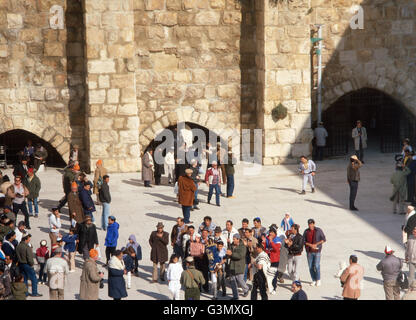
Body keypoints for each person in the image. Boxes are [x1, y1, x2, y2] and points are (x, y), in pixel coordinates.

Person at [303, 218, 326, 287]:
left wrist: (316, 244)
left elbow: (324, 239)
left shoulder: (318, 230)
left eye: (311, 224)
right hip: (309, 251)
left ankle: (318, 279)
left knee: (316, 265)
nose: (310, 225)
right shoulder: (306, 231)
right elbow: (303, 241)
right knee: (310, 266)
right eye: (309, 224)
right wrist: (310, 245)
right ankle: (313, 279)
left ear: (314, 224)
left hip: (317, 251)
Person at [227, 233, 249, 300]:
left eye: (234, 239)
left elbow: (240, 256)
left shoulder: (243, 247)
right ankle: (235, 296)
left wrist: (231, 254)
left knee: (240, 279)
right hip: (232, 266)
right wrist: (228, 252)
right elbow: (229, 251)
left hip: (240, 266)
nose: (233, 240)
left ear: (238, 239)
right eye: (233, 239)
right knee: (233, 281)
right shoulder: (231, 245)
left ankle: (246, 289)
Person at [263, 226, 282, 294]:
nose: (270, 233)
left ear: (275, 233)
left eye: (272, 232)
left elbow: (276, 249)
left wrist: (271, 241)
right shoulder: (267, 238)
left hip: (275, 259)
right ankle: (268, 286)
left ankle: (274, 288)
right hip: (268, 259)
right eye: (270, 232)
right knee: (266, 273)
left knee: (274, 275)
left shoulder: (278, 239)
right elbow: (265, 248)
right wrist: (264, 242)